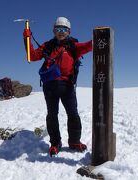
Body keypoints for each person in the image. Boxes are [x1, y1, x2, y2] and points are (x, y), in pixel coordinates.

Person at [23, 17, 92, 156]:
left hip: (67, 86)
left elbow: (89, 46)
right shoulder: (48, 46)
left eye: (64, 29)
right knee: (52, 115)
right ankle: (55, 143)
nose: (61, 32)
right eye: (58, 29)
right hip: (50, 87)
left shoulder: (74, 46)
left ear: (69, 31)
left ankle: (74, 141)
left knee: (73, 114)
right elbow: (32, 56)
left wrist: (99, 37)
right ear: (54, 31)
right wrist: (27, 38)